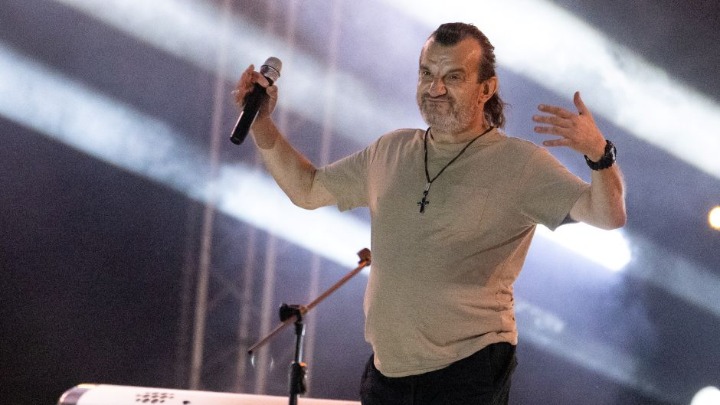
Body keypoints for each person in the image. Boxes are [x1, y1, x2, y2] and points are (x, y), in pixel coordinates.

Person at [233, 22, 626, 405]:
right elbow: (306, 190)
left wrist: (600, 155)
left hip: (467, 372)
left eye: (453, 77)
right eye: (426, 74)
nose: (435, 89)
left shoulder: (519, 163)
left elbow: (607, 215)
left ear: (486, 89)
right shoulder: (390, 150)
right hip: (387, 375)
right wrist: (262, 123)